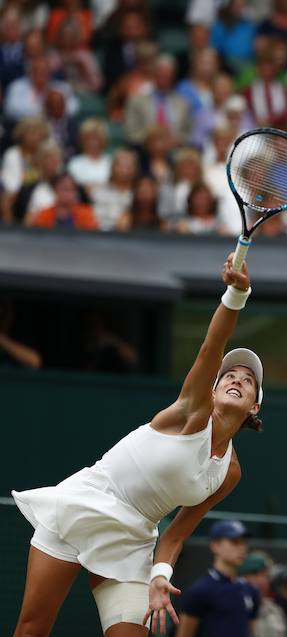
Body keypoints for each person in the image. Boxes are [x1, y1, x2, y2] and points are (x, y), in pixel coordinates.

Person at [11, 247, 264, 635]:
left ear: (253, 409)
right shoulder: (191, 413)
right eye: (229, 376)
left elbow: (177, 532)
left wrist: (161, 574)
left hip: (134, 540)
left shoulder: (229, 472)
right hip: (84, 505)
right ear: (211, 392)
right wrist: (236, 296)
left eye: (247, 381)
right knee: (33, 628)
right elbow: (211, 349)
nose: (235, 379)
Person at [177, 519, 261, 637]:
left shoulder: (251, 590)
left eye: (244, 542)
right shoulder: (200, 590)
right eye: (235, 542)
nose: (242, 548)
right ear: (215, 545)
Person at [241, 553, 287, 637]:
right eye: (255, 575)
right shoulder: (235, 608)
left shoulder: (275, 610)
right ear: (243, 578)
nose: (261, 581)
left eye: (265, 575)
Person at [27, 172, 97, 230]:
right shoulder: (44, 215)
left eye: (71, 189)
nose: (68, 194)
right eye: (64, 189)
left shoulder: (86, 214)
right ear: (55, 190)